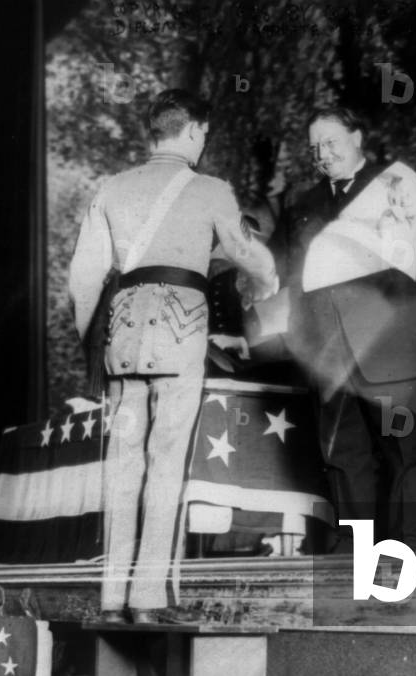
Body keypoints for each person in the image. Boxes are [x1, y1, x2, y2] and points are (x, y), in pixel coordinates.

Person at [69, 89, 278, 624]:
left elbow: (83, 279)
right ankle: (146, 600)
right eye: (203, 133)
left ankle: (112, 600)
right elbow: (245, 252)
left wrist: (93, 339)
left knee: (123, 467)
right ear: (192, 130)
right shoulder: (211, 190)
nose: (203, 141)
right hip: (181, 333)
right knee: (166, 464)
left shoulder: (112, 189)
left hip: (123, 334)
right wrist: (269, 281)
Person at [284, 106, 416, 551]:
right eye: (315, 147)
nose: (323, 154)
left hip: (394, 350)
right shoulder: (303, 205)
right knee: (344, 457)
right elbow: (292, 278)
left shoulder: (393, 183)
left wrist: (414, 199)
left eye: (331, 142)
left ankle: (411, 556)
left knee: (405, 455)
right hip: (331, 354)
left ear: (357, 137)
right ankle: (355, 559)